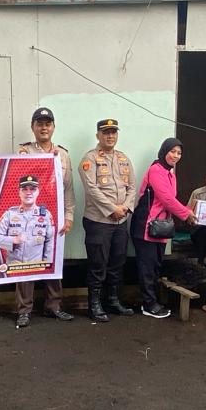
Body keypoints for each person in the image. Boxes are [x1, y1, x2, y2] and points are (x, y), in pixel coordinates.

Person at [15, 107, 74, 324]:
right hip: (29, 216)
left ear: (53, 127)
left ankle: (53, 306)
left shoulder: (63, 155)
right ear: (33, 127)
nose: (44, 128)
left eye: (47, 124)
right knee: (25, 262)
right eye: (39, 124)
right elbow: (18, 181)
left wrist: (68, 216)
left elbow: (68, 189)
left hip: (54, 217)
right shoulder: (25, 152)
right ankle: (24, 310)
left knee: (53, 260)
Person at [130, 138, 197, 318]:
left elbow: (170, 201)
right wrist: (186, 214)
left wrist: (186, 212)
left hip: (160, 228)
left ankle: (152, 302)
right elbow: (167, 199)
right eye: (172, 151)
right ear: (164, 151)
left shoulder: (170, 174)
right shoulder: (156, 170)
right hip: (146, 225)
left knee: (155, 266)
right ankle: (148, 305)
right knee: (147, 267)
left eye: (179, 153)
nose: (176, 156)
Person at [78, 119, 137, 322]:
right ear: (98, 135)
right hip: (98, 222)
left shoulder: (123, 158)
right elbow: (91, 189)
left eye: (113, 132)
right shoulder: (90, 159)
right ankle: (94, 305)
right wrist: (112, 209)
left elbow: (132, 187)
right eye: (106, 132)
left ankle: (113, 300)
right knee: (97, 264)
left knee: (117, 263)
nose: (110, 136)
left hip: (120, 222)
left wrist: (126, 207)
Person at [0, 175, 57, 327]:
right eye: (25, 189)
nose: (28, 192)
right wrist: (13, 240)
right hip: (19, 262)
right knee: (24, 271)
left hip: (39, 259)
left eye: (32, 189)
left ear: (38, 192)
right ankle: (24, 312)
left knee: (55, 274)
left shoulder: (45, 214)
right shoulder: (10, 214)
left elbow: (50, 241)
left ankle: (54, 308)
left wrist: (48, 263)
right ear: (19, 192)